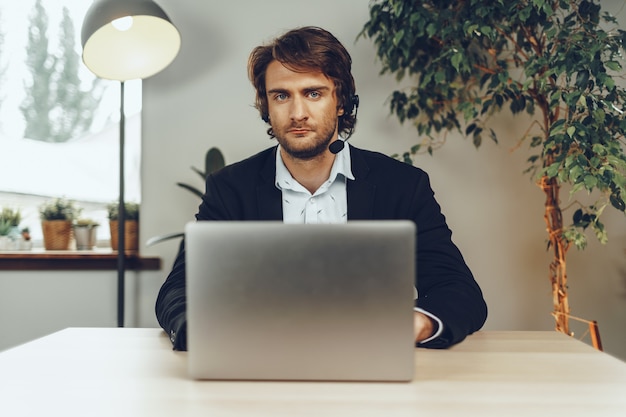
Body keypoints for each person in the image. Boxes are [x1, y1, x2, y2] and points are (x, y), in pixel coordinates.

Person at [156, 26, 487, 351]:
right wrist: (204, 331)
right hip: (262, 364)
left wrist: (418, 323)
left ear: (341, 102)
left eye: (313, 93)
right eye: (281, 96)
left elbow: (457, 289)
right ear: (266, 107)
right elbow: (178, 289)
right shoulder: (230, 188)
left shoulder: (401, 185)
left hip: (369, 361)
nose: (298, 113)